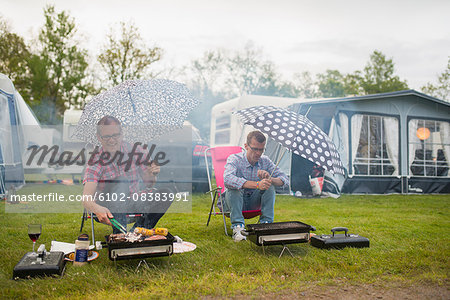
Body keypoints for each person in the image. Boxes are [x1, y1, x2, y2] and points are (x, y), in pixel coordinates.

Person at [82, 115, 168, 233]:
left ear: (121, 134)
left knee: (166, 193)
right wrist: (96, 208)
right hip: (107, 206)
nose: (111, 140)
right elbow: (86, 198)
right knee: (120, 181)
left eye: (115, 135)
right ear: (99, 138)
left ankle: (137, 233)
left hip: (133, 201)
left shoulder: (136, 150)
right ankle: (121, 236)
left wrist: (152, 173)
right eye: (106, 137)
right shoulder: (95, 160)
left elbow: (150, 184)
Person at [223, 131, 289, 241]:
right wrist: (257, 184)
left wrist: (269, 178)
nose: (258, 153)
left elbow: (285, 179)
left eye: (261, 149)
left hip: (253, 203)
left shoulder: (265, 161)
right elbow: (227, 179)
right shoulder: (235, 159)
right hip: (234, 203)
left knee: (270, 185)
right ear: (246, 146)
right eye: (255, 149)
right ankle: (238, 228)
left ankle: (266, 226)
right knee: (234, 187)